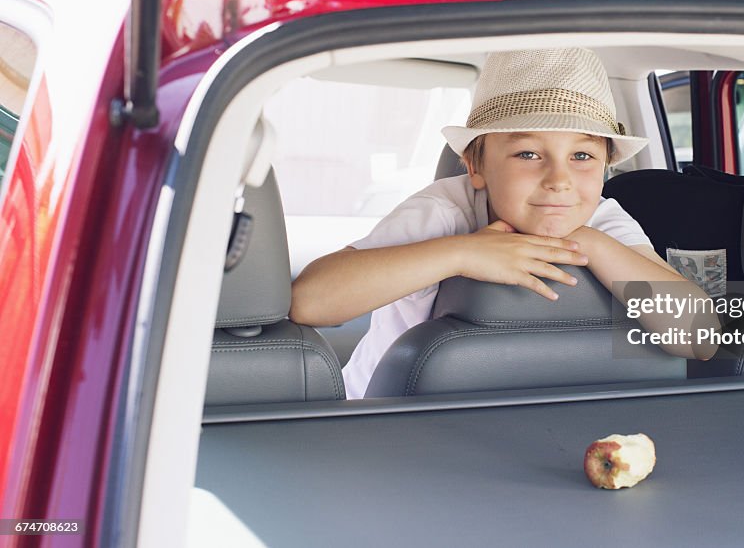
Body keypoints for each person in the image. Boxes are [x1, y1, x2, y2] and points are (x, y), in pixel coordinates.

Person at [290, 47, 715, 399]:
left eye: (582, 156)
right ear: (476, 167)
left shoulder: (602, 218)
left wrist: (594, 245)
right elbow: (311, 303)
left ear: (605, 167)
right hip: (388, 411)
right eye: (528, 154)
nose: (559, 180)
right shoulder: (444, 211)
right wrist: (462, 252)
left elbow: (700, 337)